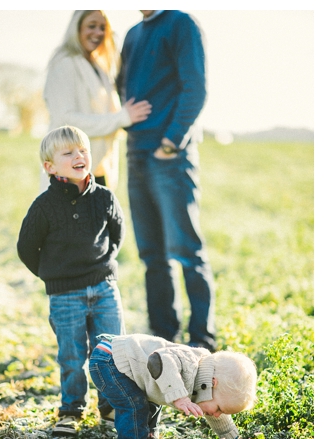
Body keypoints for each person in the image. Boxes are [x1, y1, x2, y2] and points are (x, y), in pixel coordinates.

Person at [116, 10, 216, 351]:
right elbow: (123, 85)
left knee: (187, 250)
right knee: (151, 255)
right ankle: (163, 338)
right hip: (135, 154)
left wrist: (172, 142)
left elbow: (196, 87)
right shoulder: (132, 34)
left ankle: (202, 339)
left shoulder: (181, 23)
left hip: (169, 156)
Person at [17, 126, 126, 436]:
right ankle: (71, 409)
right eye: (69, 153)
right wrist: (53, 275)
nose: (79, 156)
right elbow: (26, 248)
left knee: (111, 349)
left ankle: (111, 405)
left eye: (83, 150)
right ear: (50, 167)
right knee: (71, 354)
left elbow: (117, 233)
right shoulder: (44, 206)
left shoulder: (104, 197)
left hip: (104, 288)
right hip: (64, 295)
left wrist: (104, 265)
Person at [88, 333, 257, 439]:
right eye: (220, 408)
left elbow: (217, 416)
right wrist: (180, 397)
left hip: (119, 364)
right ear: (212, 384)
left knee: (152, 404)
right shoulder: (190, 362)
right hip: (109, 360)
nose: (218, 414)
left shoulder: (206, 389)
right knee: (135, 405)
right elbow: (157, 360)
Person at [42, 10, 151, 192]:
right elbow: (66, 121)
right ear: (76, 29)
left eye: (103, 28)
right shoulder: (64, 63)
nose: (98, 33)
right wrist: (123, 117)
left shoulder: (100, 68)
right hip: (70, 175)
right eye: (91, 26)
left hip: (98, 170)